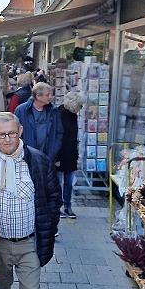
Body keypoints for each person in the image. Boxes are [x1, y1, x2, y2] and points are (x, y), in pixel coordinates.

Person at [0, 112, 62, 289]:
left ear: (20, 131)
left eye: (12, 133)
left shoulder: (38, 160)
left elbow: (53, 197)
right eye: (2, 134)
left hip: (29, 243)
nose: (7, 139)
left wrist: (49, 225)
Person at [14, 82, 63, 163]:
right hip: (27, 157)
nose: (51, 97)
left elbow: (59, 132)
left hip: (47, 157)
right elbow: (15, 132)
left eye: (51, 94)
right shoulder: (21, 110)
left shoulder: (53, 111)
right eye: (47, 95)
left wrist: (53, 151)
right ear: (38, 96)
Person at [57, 91, 84, 219]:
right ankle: (58, 207)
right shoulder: (59, 114)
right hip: (60, 154)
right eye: (80, 105)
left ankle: (68, 206)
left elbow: (73, 137)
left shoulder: (73, 116)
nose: (81, 108)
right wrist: (56, 157)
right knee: (58, 183)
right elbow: (57, 137)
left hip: (71, 153)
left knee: (69, 183)